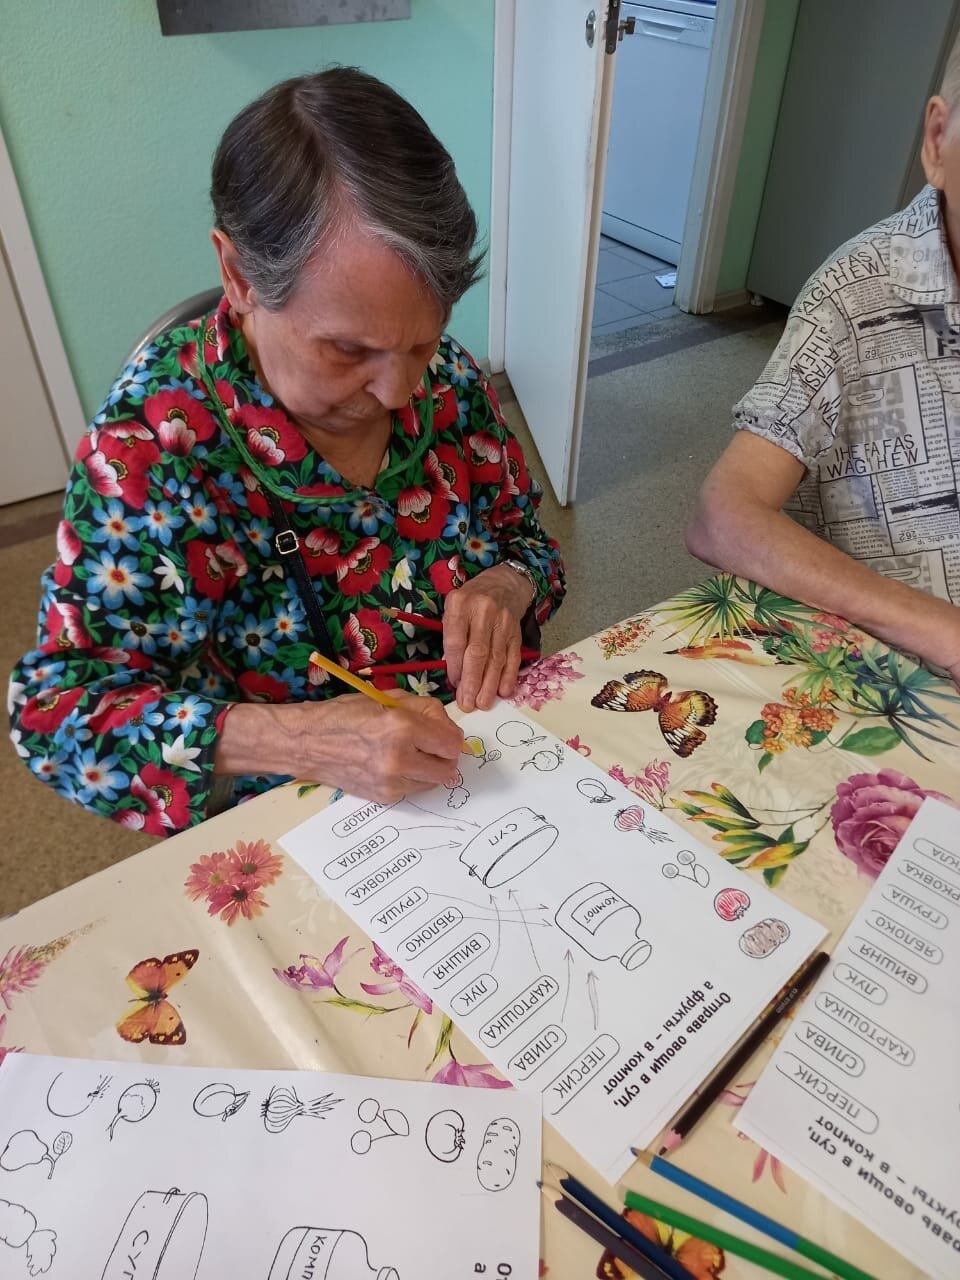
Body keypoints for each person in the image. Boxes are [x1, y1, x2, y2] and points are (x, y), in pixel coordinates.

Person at [8, 68, 565, 835]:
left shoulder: (450, 380)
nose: (399, 391)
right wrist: (301, 739)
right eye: (348, 350)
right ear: (239, 275)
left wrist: (509, 583)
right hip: (308, 814)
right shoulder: (155, 444)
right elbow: (60, 714)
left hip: (485, 766)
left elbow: (528, 541)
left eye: (422, 341)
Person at [686, 58, 960, 687]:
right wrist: (942, 629)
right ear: (937, 140)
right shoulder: (853, 295)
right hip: (897, 672)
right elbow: (722, 515)